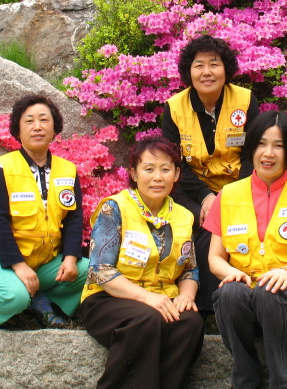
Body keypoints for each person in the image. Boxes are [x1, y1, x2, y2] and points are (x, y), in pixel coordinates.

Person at [204, 111, 287, 389]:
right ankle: (245, 378)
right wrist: (231, 273)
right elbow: (215, 258)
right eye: (262, 144)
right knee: (228, 291)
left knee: (269, 291)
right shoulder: (227, 195)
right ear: (251, 147)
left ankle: (285, 380)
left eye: (279, 145)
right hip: (246, 301)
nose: (269, 153)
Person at [80, 138, 205, 389]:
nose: (157, 177)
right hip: (109, 299)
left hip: (161, 300)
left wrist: (186, 297)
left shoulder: (183, 216)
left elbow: (190, 269)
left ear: (177, 174)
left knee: (190, 322)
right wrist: (148, 298)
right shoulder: (114, 208)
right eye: (149, 169)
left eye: (165, 169)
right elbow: (100, 271)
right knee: (148, 319)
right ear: (134, 174)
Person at [0, 94, 88, 329]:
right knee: (14, 296)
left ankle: (39, 299)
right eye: (29, 121)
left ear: (55, 128)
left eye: (44, 120)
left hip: (42, 262)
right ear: (18, 131)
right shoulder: (3, 168)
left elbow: (73, 218)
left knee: (87, 272)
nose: (37, 127)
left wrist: (71, 258)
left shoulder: (67, 170)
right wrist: (19, 266)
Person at [162, 34, 260, 312]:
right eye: (199, 65)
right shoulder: (173, 108)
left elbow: (252, 154)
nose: (207, 72)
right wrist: (206, 196)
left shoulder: (245, 100)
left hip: (240, 187)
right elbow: (175, 162)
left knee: (226, 224)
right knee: (203, 226)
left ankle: (233, 297)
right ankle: (207, 307)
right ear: (188, 72)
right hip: (191, 189)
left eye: (214, 64)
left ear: (225, 69)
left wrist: (229, 196)